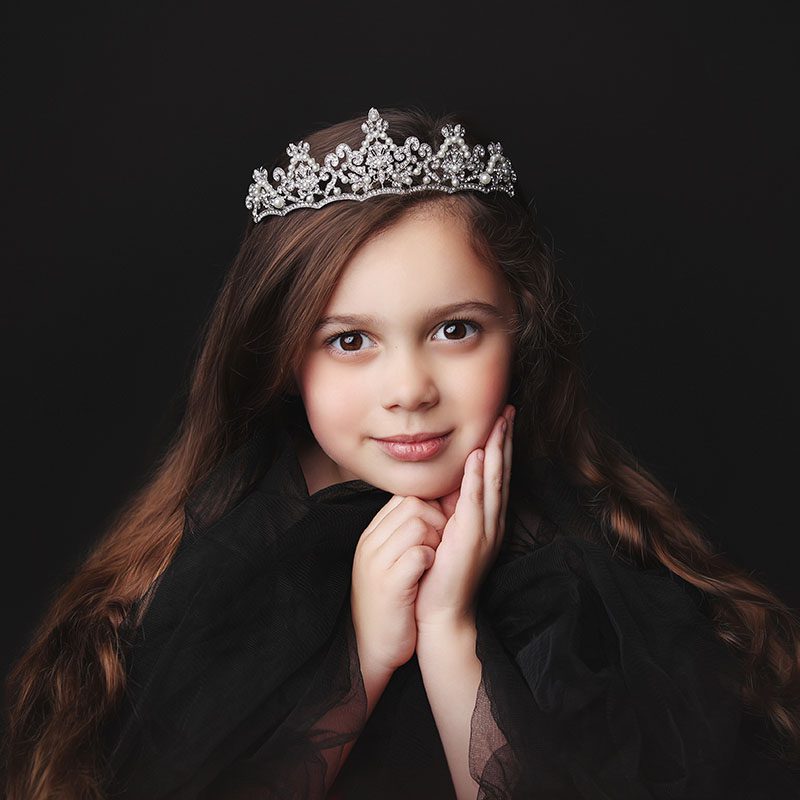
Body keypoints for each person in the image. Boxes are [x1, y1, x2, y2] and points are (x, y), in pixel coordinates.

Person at [2, 105, 799, 800]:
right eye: (350, 340)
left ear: (519, 330)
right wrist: (364, 657)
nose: (410, 388)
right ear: (282, 358)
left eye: (455, 329)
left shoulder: (605, 569)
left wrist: (450, 633)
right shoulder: (206, 576)